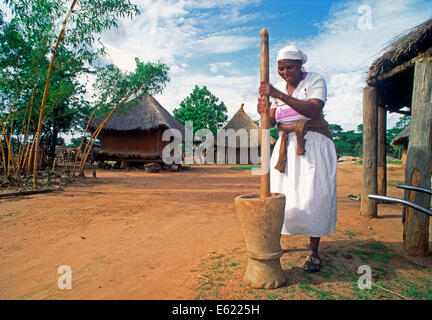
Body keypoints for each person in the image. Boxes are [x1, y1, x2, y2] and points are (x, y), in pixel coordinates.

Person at [257, 45, 337, 273]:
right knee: (281, 194)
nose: (284, 72)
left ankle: (313, 251)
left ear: (301, 65)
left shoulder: (315, 80)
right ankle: (275, 243)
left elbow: (312, 110)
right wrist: (263, 108)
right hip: (285, 147)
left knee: (314, 195)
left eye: (289, 67)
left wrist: (278, 94)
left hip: (313, 145)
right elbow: (271, 122)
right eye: (281, 68)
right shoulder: (277, 89)